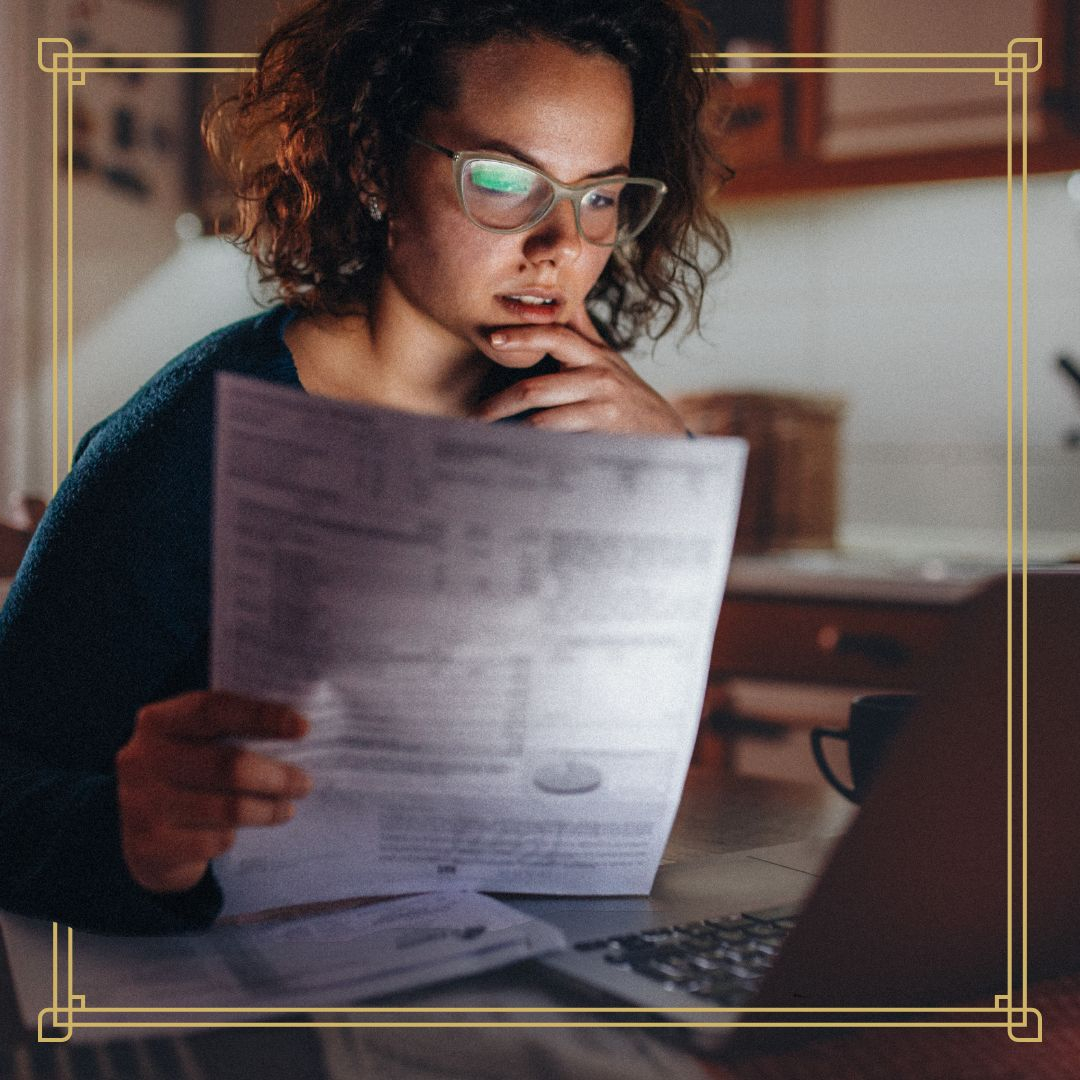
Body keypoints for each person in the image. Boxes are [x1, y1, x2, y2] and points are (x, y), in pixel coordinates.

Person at [0, 0, 730, 933]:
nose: (561, 246)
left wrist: (669, 487)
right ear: (374, 166)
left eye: (599, 196)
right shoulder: (193, 431)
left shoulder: (603, 438)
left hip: (510, 961)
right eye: (504, 179)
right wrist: (130, 835)